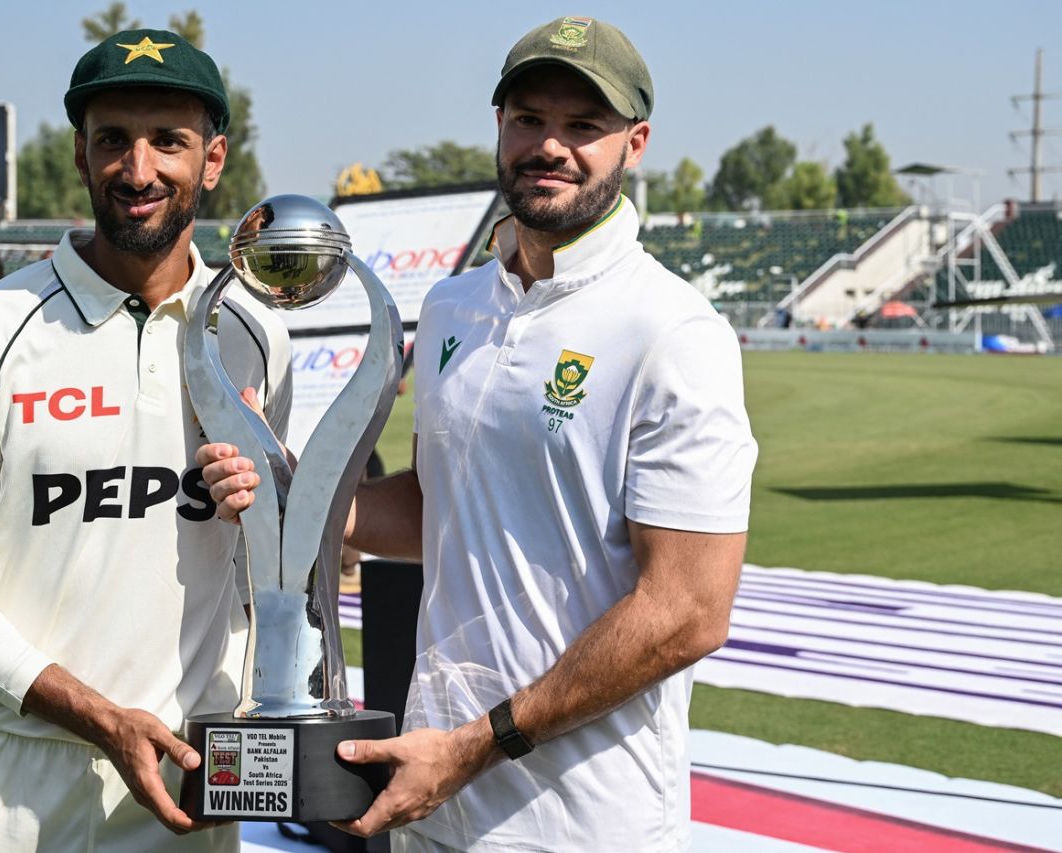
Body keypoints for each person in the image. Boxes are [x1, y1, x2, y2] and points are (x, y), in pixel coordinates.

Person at [201, 16, 757, 852]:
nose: (550, 146)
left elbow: (687, 610)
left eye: (584, 125)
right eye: (530, 118)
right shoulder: (453, 307)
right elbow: (443, 506)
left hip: (582, 822)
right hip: (433, 797)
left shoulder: (673, 330)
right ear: (499, 124)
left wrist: (475, 746)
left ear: (635, 144)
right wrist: (296, 490)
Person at [0, 28, 291, 852]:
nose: (138, 170)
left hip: (183, 787)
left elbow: (260, 576)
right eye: (113, 140)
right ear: (80, 153)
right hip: (7, 785)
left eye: (168, 140)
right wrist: (97, 714)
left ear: (213, 159)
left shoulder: (256, 335)